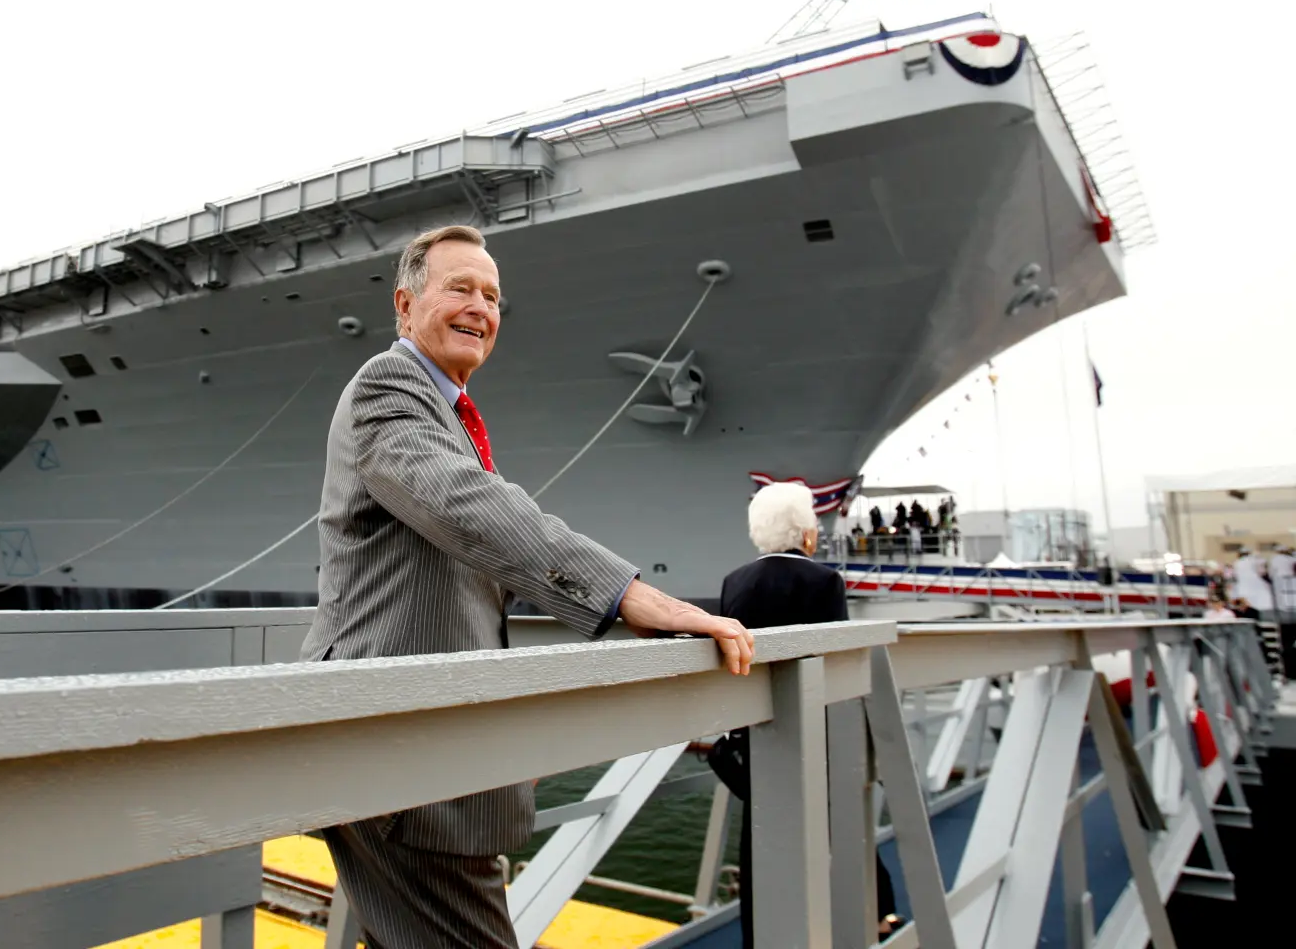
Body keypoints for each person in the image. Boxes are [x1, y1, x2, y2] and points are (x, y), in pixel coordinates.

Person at [298, 225, 755, 949]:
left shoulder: (441, 407)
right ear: (405, 303)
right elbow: (469, 506)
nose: (481, 306)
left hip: (414, 756)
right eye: (460, 287)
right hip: (403, 765)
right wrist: (629, 594)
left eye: (492, 295)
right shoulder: (389, 388)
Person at [708, 482, 901, 948]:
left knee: (760, 836)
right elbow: (833, 663)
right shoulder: (826, 582)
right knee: (840, 825)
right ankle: (873, 914)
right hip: (816, 732)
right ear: (807, 534)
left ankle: (759, 933)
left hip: (755, 734)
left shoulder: (735, 581)